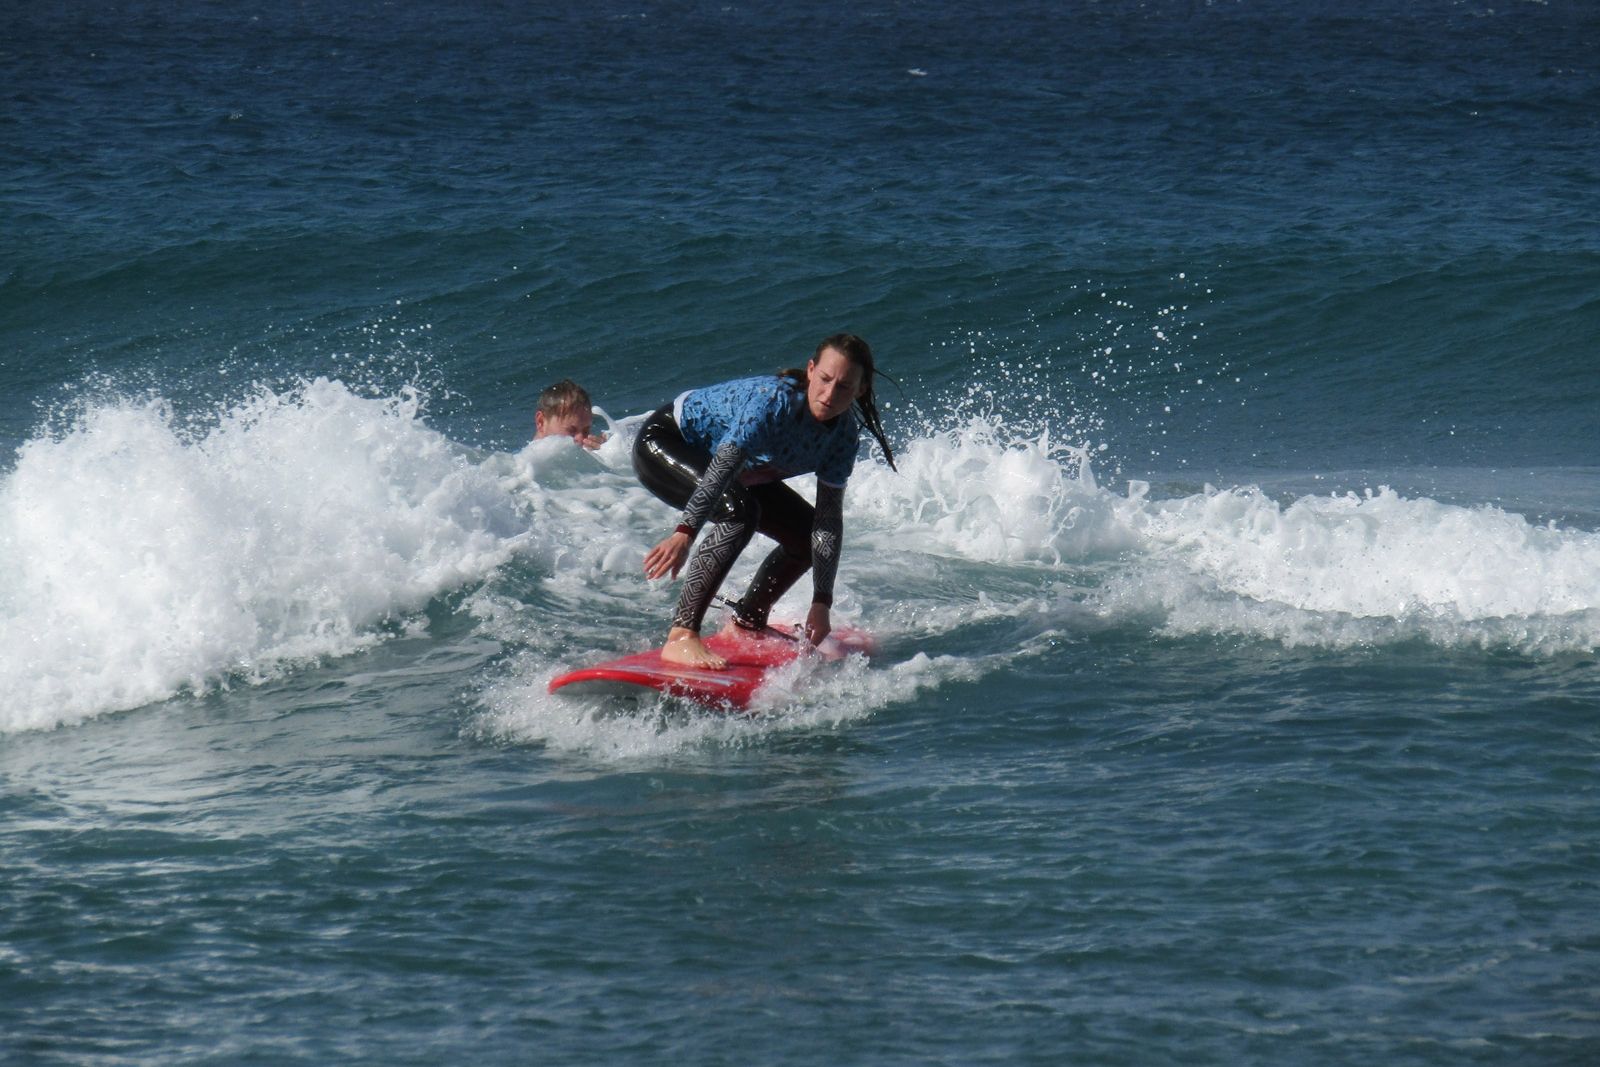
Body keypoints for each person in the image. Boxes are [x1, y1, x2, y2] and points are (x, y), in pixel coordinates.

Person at [633, 332, 896, 669]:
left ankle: (748, 623)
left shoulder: (842, 437)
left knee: (805, 534)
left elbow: (827, 522)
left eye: (844, 387)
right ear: (811, 369)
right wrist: (685, 531)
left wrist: (822, 601)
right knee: (740, 514)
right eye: (825, 379)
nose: (830, 394)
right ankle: (681, 636)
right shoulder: (771, 403)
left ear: (860, 390)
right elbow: (723, 467)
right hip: (668, 442)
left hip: (742, 472)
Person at [534, 379, 605, 449]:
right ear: (541, 422)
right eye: (571, 431)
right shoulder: (528, 460)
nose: (581, 441)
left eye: (586, 431)